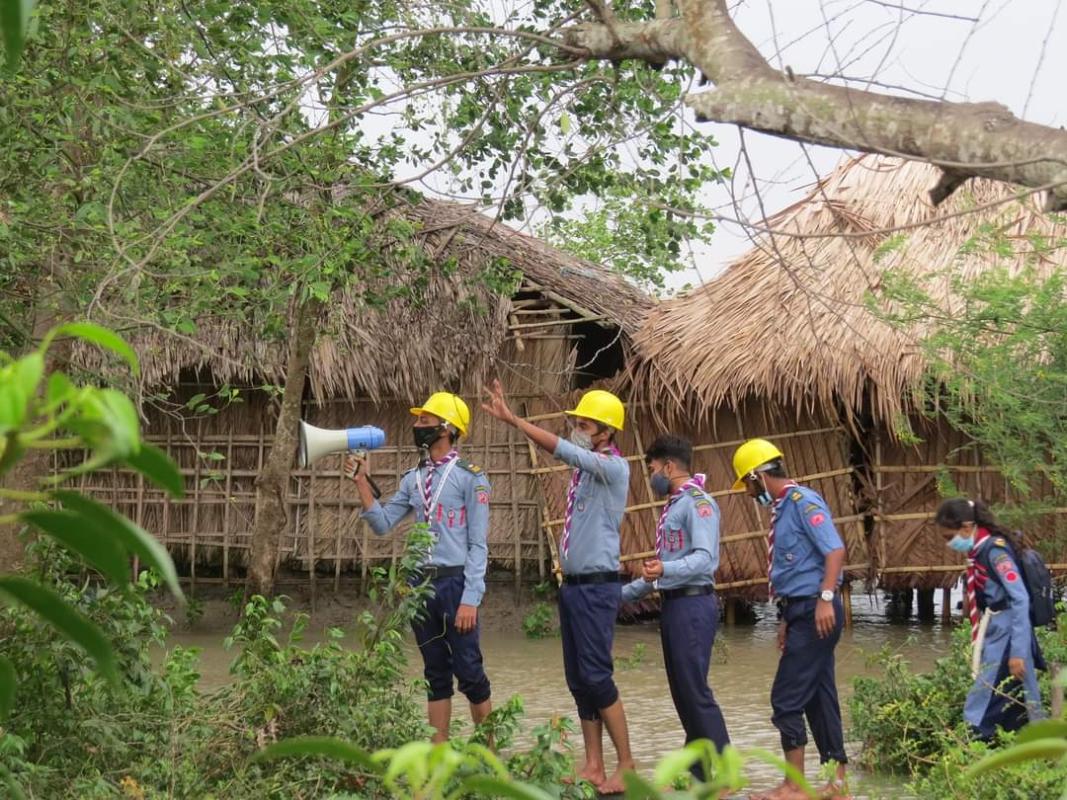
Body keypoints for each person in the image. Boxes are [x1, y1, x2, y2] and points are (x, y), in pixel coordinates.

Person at [482, 379, 635, 794]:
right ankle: (593, 765)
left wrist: (515, 420)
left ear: (605, 432)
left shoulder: (612, 467)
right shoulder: (585, 474)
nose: (577, 430)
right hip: (574, 586)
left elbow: (561, 449)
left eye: (584, 425)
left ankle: (626, 764)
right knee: (578, 678)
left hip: (597, 587)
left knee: (598, 677)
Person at [347, 391, 492, 743]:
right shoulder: (413, 478)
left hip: (456, 584)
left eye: (424, 421)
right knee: (435, 673)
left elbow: (478, 544)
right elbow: (382, 524)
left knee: (470, 671)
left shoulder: (471, 478)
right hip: (419, 585)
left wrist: (471, 598)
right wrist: (361, 482)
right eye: (419, 420)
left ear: (446, 429)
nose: (416, 425)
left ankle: (491, 751)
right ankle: (437, 753)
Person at [731, 438, 849, 800]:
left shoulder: (802, 502)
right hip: (799, 610)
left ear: (759, 475)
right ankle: (838, 784)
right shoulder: (782, 509)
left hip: (816, 609)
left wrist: (826, 599)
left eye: (749, 485)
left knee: (785, 700)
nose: (749, 494)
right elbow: (790, 572)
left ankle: (794, 785)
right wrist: (784, 618)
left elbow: (835, 550)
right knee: (818, 698)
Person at [622, 435, 730, 777]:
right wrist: (619, 596)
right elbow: (662, 570)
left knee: (695, 692)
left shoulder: (698, 504)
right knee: (683, 694)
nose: (650, 475)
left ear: (669, 466)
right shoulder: (674, 505)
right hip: (674, 605)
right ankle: (700, 777)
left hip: (693, 605)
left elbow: (704, 561)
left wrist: (665, 569)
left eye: (652, 468)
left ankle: (727, 775)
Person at [935, 497, 1045, 740]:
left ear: (966, 527)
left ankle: (974, 746)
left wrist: (1017, 651)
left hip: (1009, 632)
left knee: (984, 698)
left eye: (948, 536)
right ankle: (1028, 748)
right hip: (997, 628)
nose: (949, 543)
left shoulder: (994, 550)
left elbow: (1020, 598)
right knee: (1019, 699)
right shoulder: (980, 551)